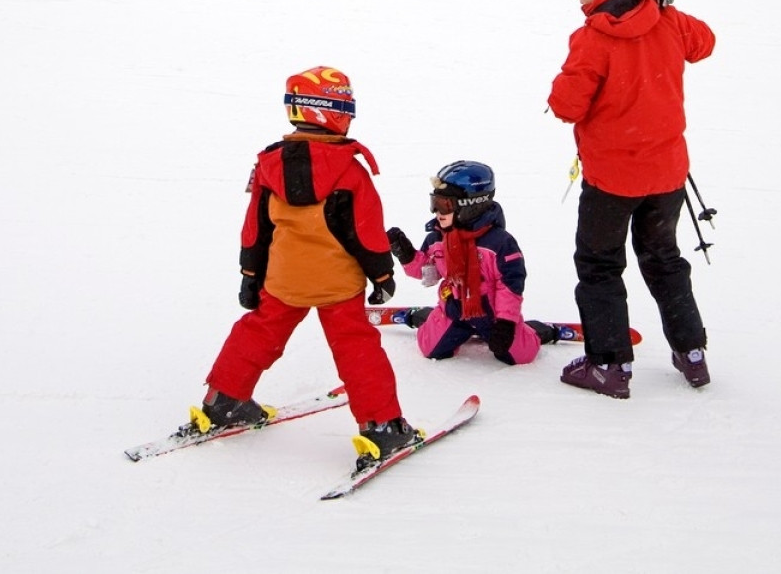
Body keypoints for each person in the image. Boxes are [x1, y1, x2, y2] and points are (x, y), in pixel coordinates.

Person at [197, 66, 422, 470]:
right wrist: (383, 276)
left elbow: (255, 229)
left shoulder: (269, 166)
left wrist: (250, 276)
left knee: (259, 331)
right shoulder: (349, 171)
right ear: (331, 112)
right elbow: (367, 231)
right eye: (346, 109)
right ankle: (382, 427)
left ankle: (223, 400)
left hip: (283, 280)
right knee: (356, 347)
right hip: (338, 285)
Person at [547, 0, 716, 398]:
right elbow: (705, 43)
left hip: (611, 180)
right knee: (664, 260)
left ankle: (609, 365)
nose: (579, 2)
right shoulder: (666, 20)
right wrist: (667, 5)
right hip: (667, 175)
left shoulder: (592, 39)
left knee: (599, 265)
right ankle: (692, 354)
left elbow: (566, 106)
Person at [385, 161, 560, 364]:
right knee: (429, 348)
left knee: (521, 356)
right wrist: (406, 254)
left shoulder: (500, 243)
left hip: (493, 315)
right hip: (454, 310)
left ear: (471, 205)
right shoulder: (438, 238)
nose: (437, 212)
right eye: (435, 203)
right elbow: (427, 272)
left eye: (445, 205)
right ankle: (425, 317)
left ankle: (536, 332)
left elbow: (509, 286)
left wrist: (506, 322)